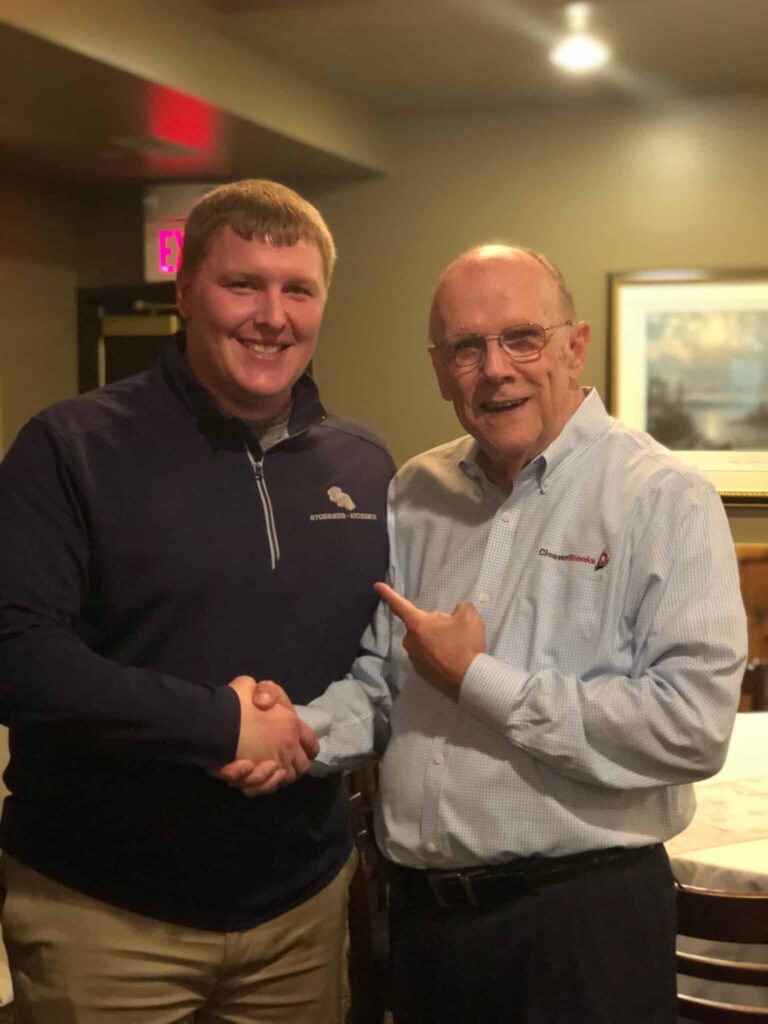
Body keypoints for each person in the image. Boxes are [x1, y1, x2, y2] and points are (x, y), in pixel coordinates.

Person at [228, 244, 748, 1023]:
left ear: (574, 346)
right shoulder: (415, 491)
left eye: (522, 339)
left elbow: (691, 727)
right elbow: (384, 684)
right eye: (466, 348)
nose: (495, 369)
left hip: (582, 930)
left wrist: (479, 678)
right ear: (440, 371)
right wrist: (294, 732)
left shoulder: (664, 499)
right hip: (428, 930)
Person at [0, 179, 395, 1023]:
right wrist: (218, 725)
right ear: (184, 293)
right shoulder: (69, 447)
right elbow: (16, 654)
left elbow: (379, 662)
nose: (272, 316)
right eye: (242, 284)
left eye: (298, 290)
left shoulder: (365, 468)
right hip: (105, 915)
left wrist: (303, 732)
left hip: (301, 911)